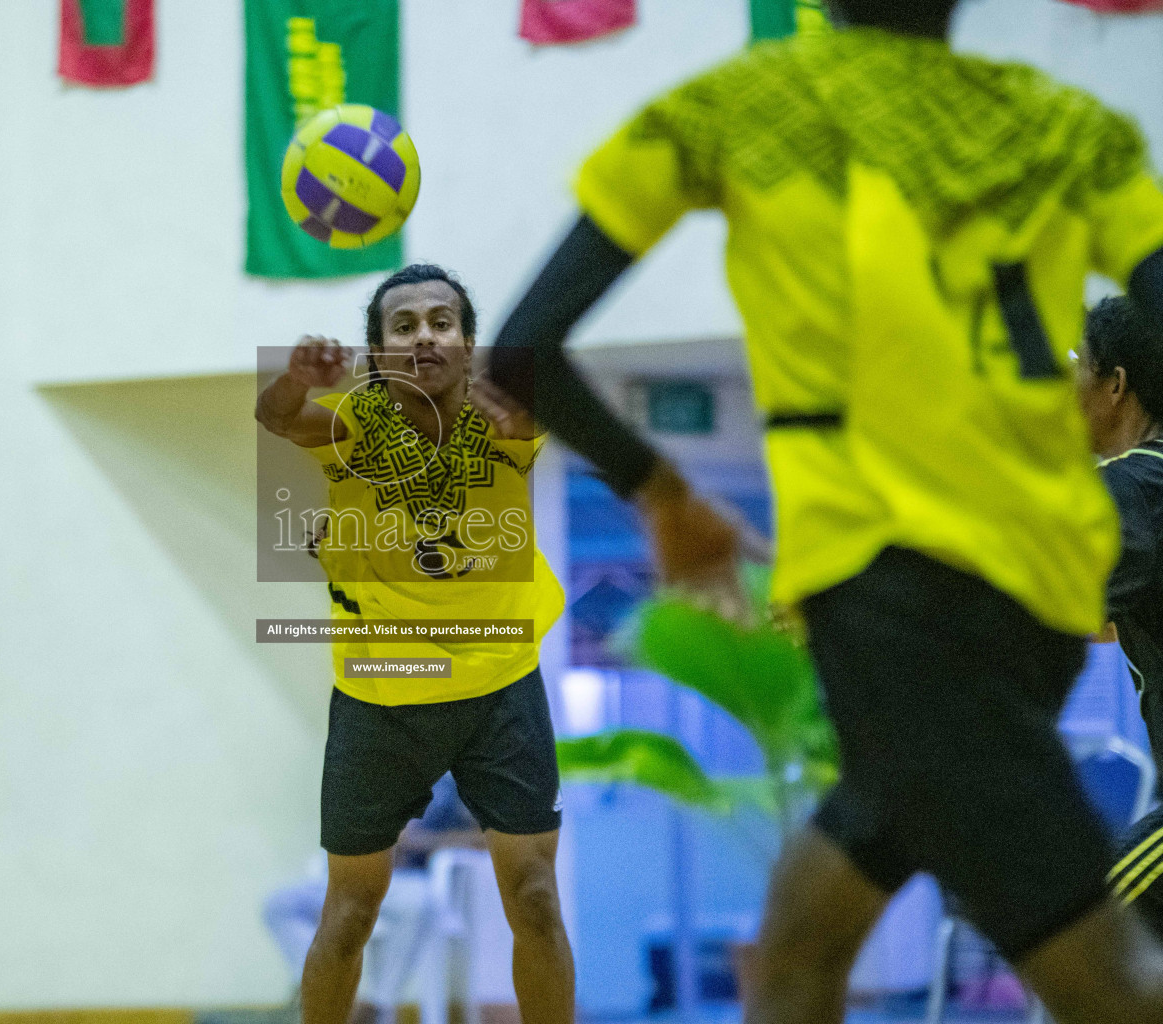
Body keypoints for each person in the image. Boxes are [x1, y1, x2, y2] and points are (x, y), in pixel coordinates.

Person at [484, 1, 1163, 1021]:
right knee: (801, 946)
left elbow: (525, 347)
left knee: (1103, 986)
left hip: (903, 595)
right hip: (1029, 602)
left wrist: (666, 496)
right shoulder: (1070, 122)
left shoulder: (734, 108)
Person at [255, 264, 575, 1023]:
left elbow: (539, 418)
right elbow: (275, 418)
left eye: (441, 321)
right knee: (352, 908)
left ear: (467, 343)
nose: (424, 335)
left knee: (533, 896)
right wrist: (296, 378)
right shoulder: (353, 425)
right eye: (404, 325)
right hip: (381, 694)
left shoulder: (506, 416)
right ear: (376, 354)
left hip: (499, 684)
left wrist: (525, 422)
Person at [1075, 296, 1163, 936]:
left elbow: (1045, 606)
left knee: (1095, 931)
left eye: (1078, 365)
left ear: (1116, 384)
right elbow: (1099, 621)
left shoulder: (1134, 488)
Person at [263, 774, 485, 1022]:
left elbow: (484, 838)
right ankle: (322, 990)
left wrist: (415, 842)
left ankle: (375, 1006)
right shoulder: (381, 761)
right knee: (280, 905)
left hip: (411, 879)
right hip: (358, 876)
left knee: (418, 904)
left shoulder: (457, 777)